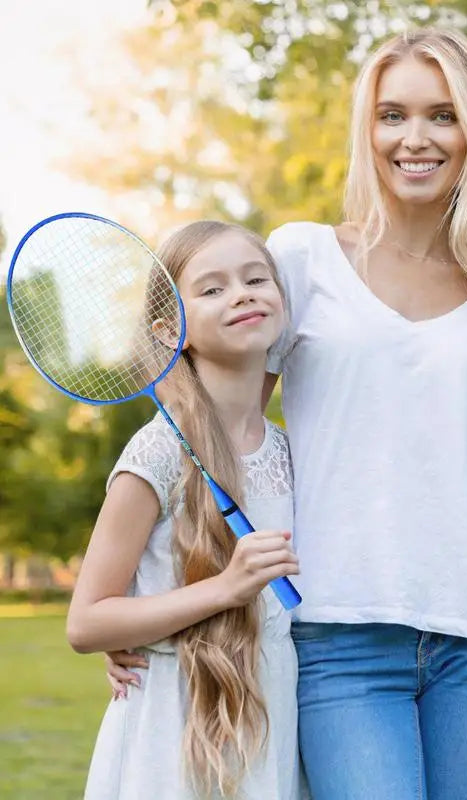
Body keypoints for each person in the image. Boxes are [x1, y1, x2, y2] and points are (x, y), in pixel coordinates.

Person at [109, 25, 467, 800]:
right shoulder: (303, 261)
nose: (415, 138)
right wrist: (155, 604)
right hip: (342, 637)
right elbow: (223, 443)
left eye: (442, 115)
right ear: (368, 130)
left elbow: (442, 483)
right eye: (393, 115)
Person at [67, 221, 303, 800]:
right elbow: (87, 621)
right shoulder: (157, 452)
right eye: (213, 288)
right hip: (171, 732)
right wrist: (227, 588)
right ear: (172, 329)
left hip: (268, 717)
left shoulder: (289, 450)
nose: (243, 293)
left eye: (255, 278)